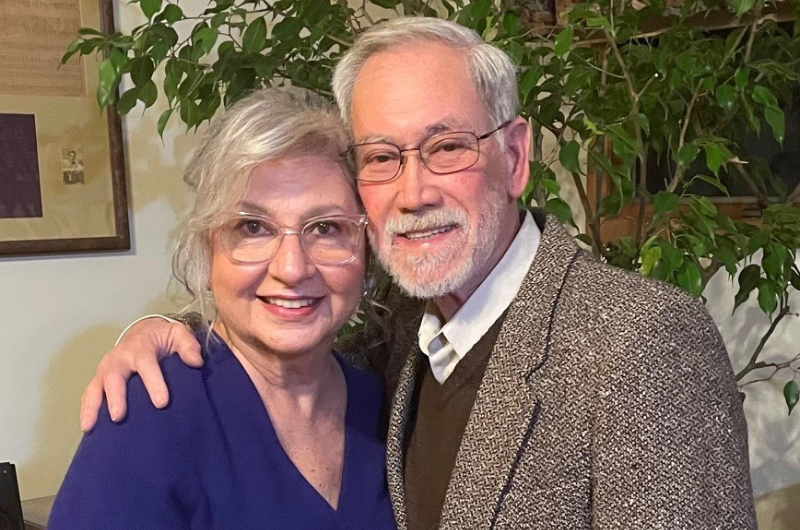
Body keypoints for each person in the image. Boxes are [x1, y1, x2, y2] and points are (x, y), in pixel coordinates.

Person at [78, 17, 756, 530]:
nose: (414, 192)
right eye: (381, 157)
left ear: (515, 157)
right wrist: (163, 330)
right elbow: (272, 327)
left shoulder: (640, 340)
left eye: (447, 147)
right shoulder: (401, 338)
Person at [49, 87, 396, 530]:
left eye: (326, 228)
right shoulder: (151, 411)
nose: (292, 268)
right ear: (207, 248)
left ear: (367, 249)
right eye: (252, 227)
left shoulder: (385, 403)